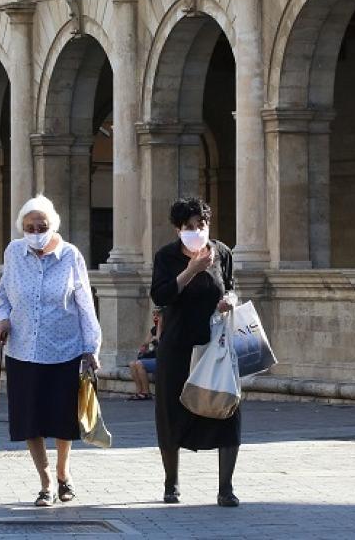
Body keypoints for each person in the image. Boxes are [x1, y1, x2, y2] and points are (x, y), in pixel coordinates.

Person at [0, 194, 101, 507]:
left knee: (62, 419)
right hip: (23, 350)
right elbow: (3, 296)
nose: (35, 230)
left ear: (53, 226)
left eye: (41, 225)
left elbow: (84, 304)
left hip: (64, 350)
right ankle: (46, 482)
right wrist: (2, 321)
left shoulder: (70, 256)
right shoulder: (14, 253)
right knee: (30, 419)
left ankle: (64, 471)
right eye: (29, 226)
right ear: (22, 228)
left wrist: (91, 346)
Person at [150, 196, 240, 508]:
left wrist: (230, 299)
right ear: (178, 229)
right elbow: (160, 294)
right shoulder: (167, 257)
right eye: (188, 226)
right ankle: (171, 484)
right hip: (177, 345)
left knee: (227, 408)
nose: (196, 230)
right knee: (170, 412)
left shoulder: (222, 252)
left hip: (214, 344)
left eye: (201, 225)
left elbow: (229, 286)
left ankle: (226, 488)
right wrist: (190, 270)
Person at [127, 309, 162, 400]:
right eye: (153, 314)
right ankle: (139, 391)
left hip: (162, 359)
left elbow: (158, 340)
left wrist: (159, 326)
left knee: (139, 364)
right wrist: (145, 346)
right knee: (132, 364)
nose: (155, 317)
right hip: (153, 357)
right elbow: (145, 343)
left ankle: (146, 392)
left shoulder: (165, 328)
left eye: (158, 315)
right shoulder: (154, 329)